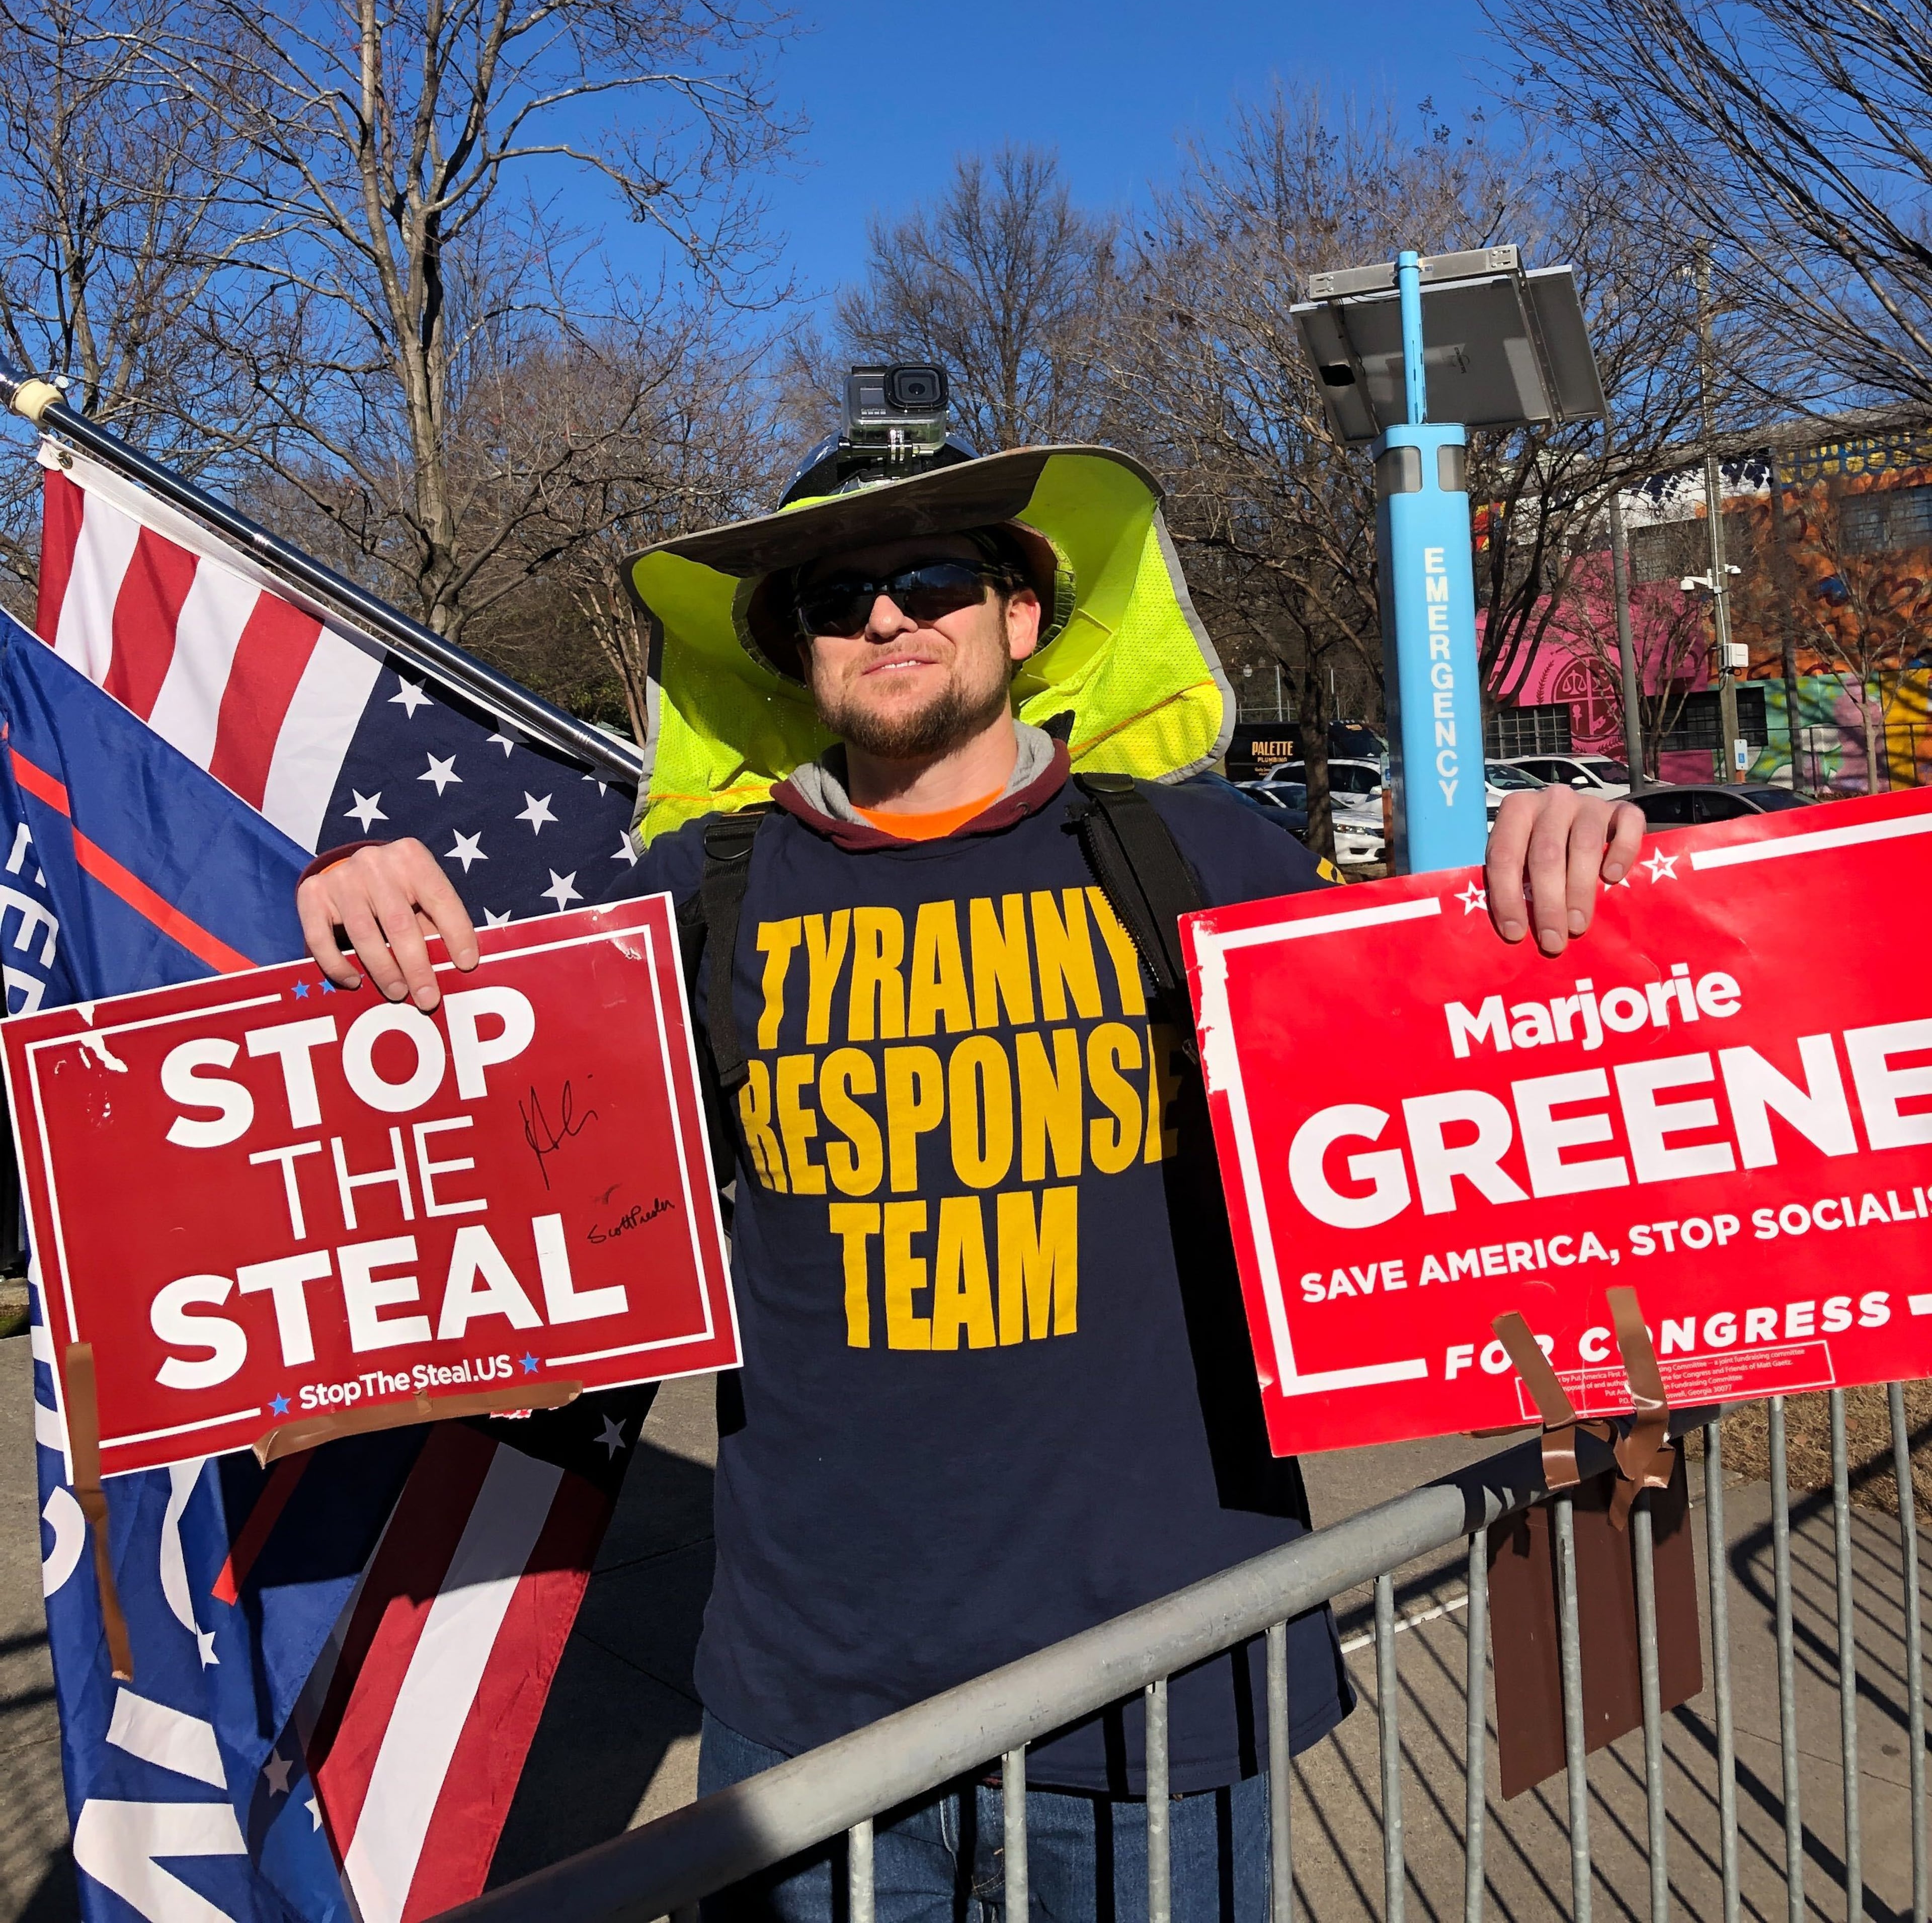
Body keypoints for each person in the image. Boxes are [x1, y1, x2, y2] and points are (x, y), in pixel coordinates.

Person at [296, 399, 1643, 1923]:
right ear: (796, 656)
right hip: (810, 1711)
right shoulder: (696, 897)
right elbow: (450, 1092)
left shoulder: (1206, 856)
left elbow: (1501, 1076)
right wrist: (361, 891)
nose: (883, 613)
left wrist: (1582, 867)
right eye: (833, 599)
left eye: (929, 577)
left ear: (1020, 614)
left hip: (1166, 1690)